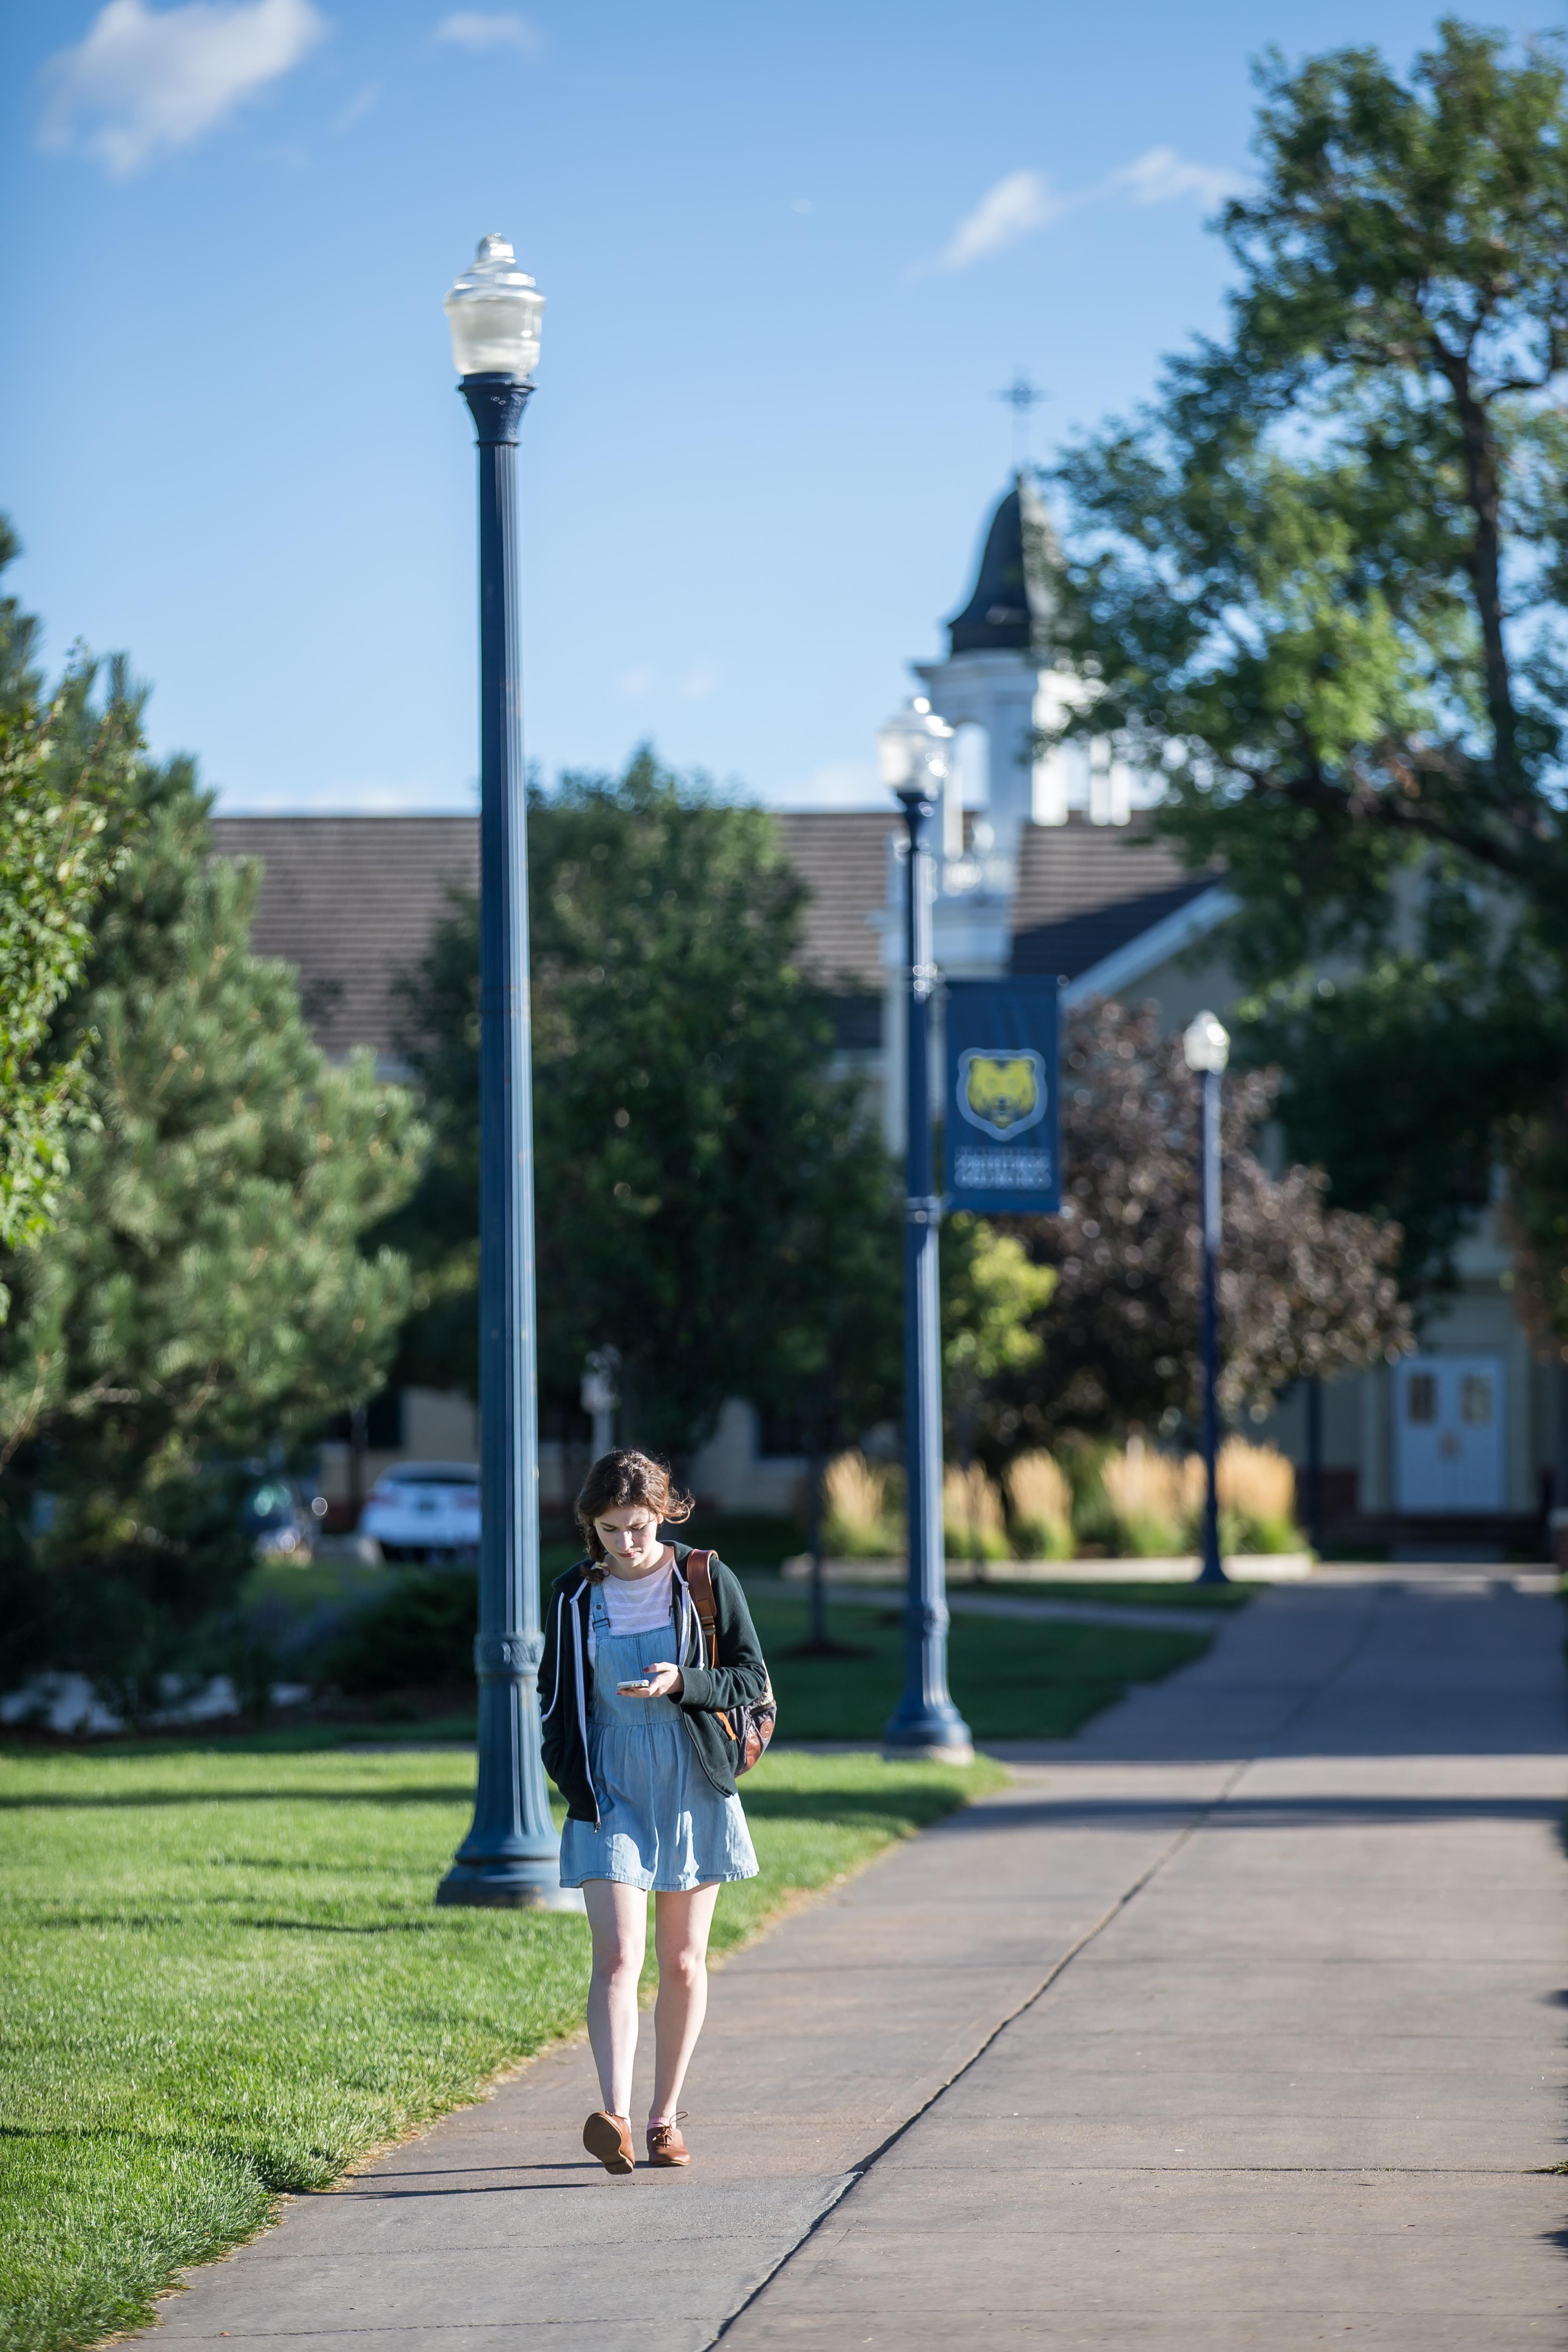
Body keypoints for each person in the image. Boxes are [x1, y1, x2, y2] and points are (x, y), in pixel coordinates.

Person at [539, 1447, 768, 2176]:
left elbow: (750, 1678)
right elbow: (552, 1700)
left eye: (637, 1528)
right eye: (609, 1531)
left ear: (664, 1515)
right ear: (592, 1527)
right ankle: (613, 2117)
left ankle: (664, 2118)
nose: (625, 1545)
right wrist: (571, 1778)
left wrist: (683, 1682)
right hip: (609, 1792)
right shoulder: (574, 1596)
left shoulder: (703, 1577)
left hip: (690, 1781)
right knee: (615, 1957)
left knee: (680, 1960)